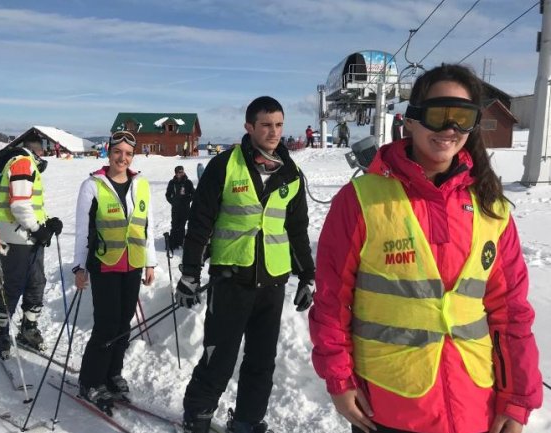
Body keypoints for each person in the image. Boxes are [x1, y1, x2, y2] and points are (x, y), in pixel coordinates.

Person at [308, 64, 542, 433]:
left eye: (462, 117)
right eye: (438, 115)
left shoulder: (490, 207)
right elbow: (332, 302)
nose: (450, 129)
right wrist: (339, 379)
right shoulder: (361, 201)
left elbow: (511, 313)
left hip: (475, 407)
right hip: (388, 407)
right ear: (411, 120)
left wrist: (517, 398)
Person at [177, 96, 315, 433]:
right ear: (249, 127)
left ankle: (247, 420)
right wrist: (190, 274)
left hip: (272, 283)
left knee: (261, 361)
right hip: (231, 279)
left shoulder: (292, 174)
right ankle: (198, 413)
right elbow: (200, 223)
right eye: (266, 125)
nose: (274, 132)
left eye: (279, 125)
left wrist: (307, 277)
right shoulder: (225, 166)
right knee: (218, 355)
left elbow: (296, 230)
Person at [72, 130, 157, 412]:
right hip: (105, 264)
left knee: (123, 324)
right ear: (109, 151)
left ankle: (112, 373)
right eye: (118, 152)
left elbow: (148, 226)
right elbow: (83, 231)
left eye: (128, 153)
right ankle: (90, 380)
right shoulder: (93, 185)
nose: (123, 158)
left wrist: (150, 262)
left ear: (133, 156)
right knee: (106, 325)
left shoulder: (140, 184)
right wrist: (80, 267)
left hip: (132, 263)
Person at [0, 134, 63, 358]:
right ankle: (0, 329)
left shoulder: (23, 162)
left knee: (36, 283)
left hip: (26, 235)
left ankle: (28, 328)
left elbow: (31, 203)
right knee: (14, 285)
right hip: (17, 236)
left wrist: (46, 222)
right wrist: (37, 229)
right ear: (39, 151)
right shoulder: (23, 162)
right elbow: (20, 206)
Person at [165, 165, 195, 250]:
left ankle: (180, 242)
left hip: (185, 208)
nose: (179, 174)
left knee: (181, 226)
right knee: (174, 225)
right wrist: (172, 202)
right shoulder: (172, 182)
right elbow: (167, 195)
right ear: (175, 173)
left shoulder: (188, 182)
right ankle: (173, 243)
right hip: (175, 208)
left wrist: (188, 200)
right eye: (178, 172)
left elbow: (194, 193)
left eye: (181, 172)